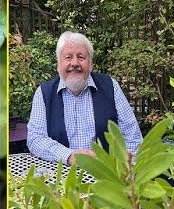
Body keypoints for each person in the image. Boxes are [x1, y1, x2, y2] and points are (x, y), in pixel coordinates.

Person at [27, 31, 143, 165]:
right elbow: (35, 138)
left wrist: (125, 174)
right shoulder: (44, 93)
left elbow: (132, 137)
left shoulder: (110, 86)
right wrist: (69, 156)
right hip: (61, 179)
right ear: (58, 65)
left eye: (81, 57)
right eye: (68, 57)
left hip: (106, 177)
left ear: (91, 64)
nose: (74, 63)